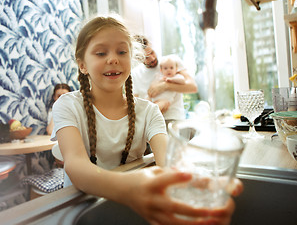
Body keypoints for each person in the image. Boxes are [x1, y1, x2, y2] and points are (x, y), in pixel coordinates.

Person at [52, 16, 242, 225]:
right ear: (82, 65)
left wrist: (196, 181)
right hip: (79, 209)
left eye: (122, 52)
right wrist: (129, 188)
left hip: (128, 208)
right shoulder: (67, 105)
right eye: (101, 53)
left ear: (131, 60)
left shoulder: (149, 111)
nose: (113, 58)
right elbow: (76, 165)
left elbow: (169, 161)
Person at [132, 35, 197, 122]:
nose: (152, 58)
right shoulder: (135, 74)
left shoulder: (170, 62)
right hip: (150, 121)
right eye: (146, 57)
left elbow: (192, 87)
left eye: (152, 52)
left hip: (174, 119)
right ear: (138, 58)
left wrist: (165, 85)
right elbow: (134, 103)